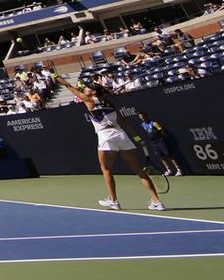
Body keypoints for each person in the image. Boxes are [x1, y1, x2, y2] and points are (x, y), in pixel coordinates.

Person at [55, 74, 165, 211]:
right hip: (121, 135)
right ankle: (157, 202)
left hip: (105, 136)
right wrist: (137, 139)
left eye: (88, 88)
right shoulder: (110, 104)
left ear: (93, 92)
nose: (85, 90)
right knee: (139, 170)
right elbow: (124, 122)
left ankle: (113, 201)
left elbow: (69, 86)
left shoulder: (89, 100)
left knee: (106, 169)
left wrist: (58, 78)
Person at [138, 112, 183, 177]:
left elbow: (161, 131)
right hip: (154, 143)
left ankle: (179, 170)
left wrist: (163, 139)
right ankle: (169, 170)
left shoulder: (154, 123)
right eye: (140, 117)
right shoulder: (143, 125)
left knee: (169, 155)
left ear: (146, 116)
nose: (142, 118)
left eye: (142, 117)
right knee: (161, 157)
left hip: (160, 141)